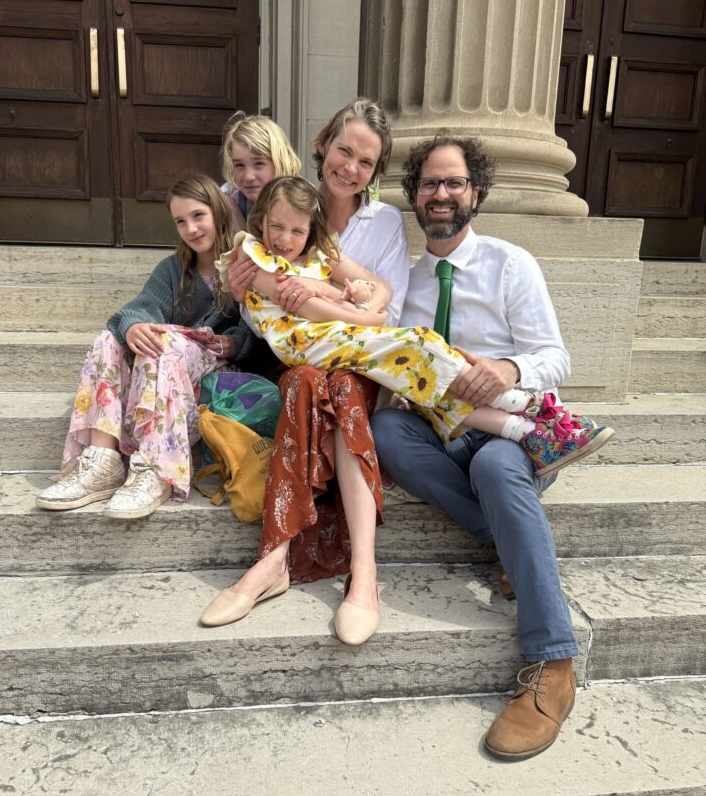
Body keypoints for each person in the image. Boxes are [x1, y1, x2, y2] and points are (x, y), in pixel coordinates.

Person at [371, 133, 596, 762]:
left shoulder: (510, 264)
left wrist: (508, 368)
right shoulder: (405, 282)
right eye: (430, 183)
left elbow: (555, 357)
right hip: (443, 431)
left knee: (498, 468)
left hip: (514, 433)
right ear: (415, 194)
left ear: (476, 192)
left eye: (454, 182)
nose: (441, 194)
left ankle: (554, 662)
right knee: (385, 432)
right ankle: (509, 541)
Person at [218, 175, 611, 471]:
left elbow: (382, 286)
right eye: (277, 227)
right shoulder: (251, 254)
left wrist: (362, 302)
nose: (285, 239)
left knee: (423, 385)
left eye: (297, 230)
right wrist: (360, 312)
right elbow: (308, 308)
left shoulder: (319, 253)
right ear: (261, 221)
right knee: (418, 341)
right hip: (305, 343)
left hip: (335, 334)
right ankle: (530, 405)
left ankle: (528, 433)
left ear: (310, 229)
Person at [200, 98, 410, 643]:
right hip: (296, 357)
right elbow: (259, 308)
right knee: (304, 380)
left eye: (366, 162)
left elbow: (387, 306)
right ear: (322, 147)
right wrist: (245, 291)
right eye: (344, 151)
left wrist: (324, 293)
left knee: (337, 385)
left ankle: (363, 573)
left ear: (375, 171)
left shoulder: (384, 222)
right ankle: (273, 560)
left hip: (360, 361)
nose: (351, 168)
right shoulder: (287, 206)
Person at [36, 173, 258, 520]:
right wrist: (134, 326)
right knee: (110, 338)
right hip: (168, 367)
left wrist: (236, 342)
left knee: (163, 342)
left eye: (198, 216)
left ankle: (157, 469)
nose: (191, 229)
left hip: (218, 376)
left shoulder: (244, 265)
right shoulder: (173, 270)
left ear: (217, 211)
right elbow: (138, 309)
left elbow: (261, 329)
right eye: (180, 221)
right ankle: (103, 460)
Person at [220, 111, 302, 224]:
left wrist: (239, 225)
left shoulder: (304, 200)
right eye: (239, 165)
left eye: (258, 164)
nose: (248, 177)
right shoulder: (226, 199)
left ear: (280, 161)